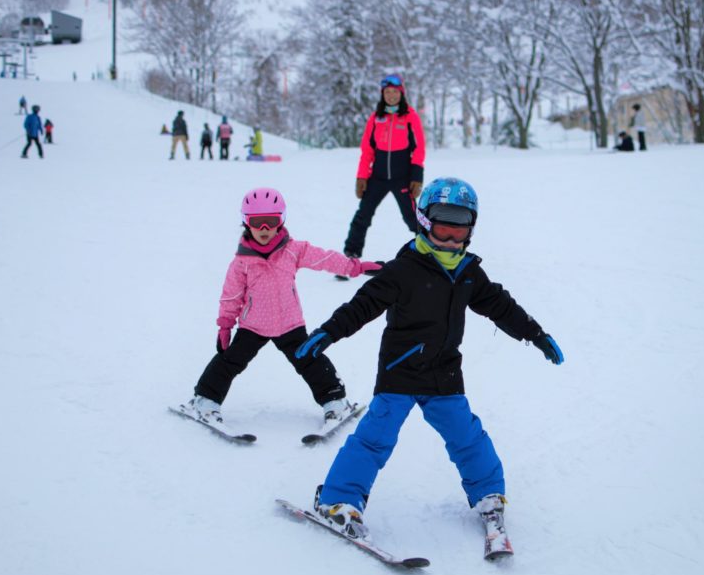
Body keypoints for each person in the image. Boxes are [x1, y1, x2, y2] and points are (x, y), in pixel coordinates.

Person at [295, 177, 564, 545]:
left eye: (460, 232)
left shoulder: (468, 271)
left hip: (444, 373)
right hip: (400, 372)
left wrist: (536, 334)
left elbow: (500, 305)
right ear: (423, 221)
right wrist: (329, 332)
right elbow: (363, 306)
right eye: (443, 230)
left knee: (466, 436)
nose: (451, 241)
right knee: (375, 438)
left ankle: (488, 493)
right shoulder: (402, 270)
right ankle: (338, 501)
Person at [176, 188, 384, 430]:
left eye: (271, 222)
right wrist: (225, 324)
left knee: (310, 360)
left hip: (289, 324)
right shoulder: (241, 262)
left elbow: (325, 259)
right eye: (257, 223)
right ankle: (204, 402)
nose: (264, 229)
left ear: (281, 220)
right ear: (246, 222)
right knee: (229, 362)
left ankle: (335, 402)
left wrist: (356, 267)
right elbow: (231, 296)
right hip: (253, 325)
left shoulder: (293, 250)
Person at [341, 73, 426, 268]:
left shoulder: (410, 116)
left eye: (395, 92)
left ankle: (429, 253)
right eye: (387, 92)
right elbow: (367, 150)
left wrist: (416, 177)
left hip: (402, 177)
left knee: (412, 217)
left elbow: (419, 148)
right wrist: (361, 177)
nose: (391, 95)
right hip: (377, 177)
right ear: (383, 94)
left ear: (401, 93)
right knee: (363, 215)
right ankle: (351, 254)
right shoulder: (375, 118)